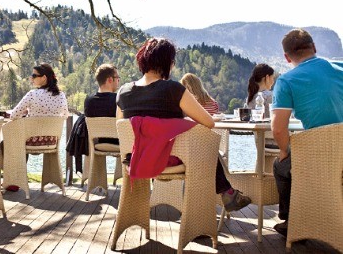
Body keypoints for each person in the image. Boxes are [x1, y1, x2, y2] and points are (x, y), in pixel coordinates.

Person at [116, 37, 251, 211]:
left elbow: (120, 126)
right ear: (168, 63)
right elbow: (208, 123)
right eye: (172, 62)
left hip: (135, 159)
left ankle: (228, 193)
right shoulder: (173, 89)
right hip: (170, 158)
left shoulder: (123, 91)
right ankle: (224, 195)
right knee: (208, 146)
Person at [270, 28, 343, 236]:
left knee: (280, 166)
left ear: (286, 57)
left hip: (322, 157)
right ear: (314, 48)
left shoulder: (287, 81)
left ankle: (293, 221)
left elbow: (277, 128)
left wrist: (284, 151)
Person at [10, 63, 69, 146]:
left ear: (44, 77)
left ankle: (20, 159)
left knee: (8, 142)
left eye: (34, 75)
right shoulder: (61, 95)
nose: (31, 78)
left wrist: (27, 113)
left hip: (31, 140)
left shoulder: (32, 94)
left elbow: (13, 116)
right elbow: (65, 115)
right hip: (52, 141)